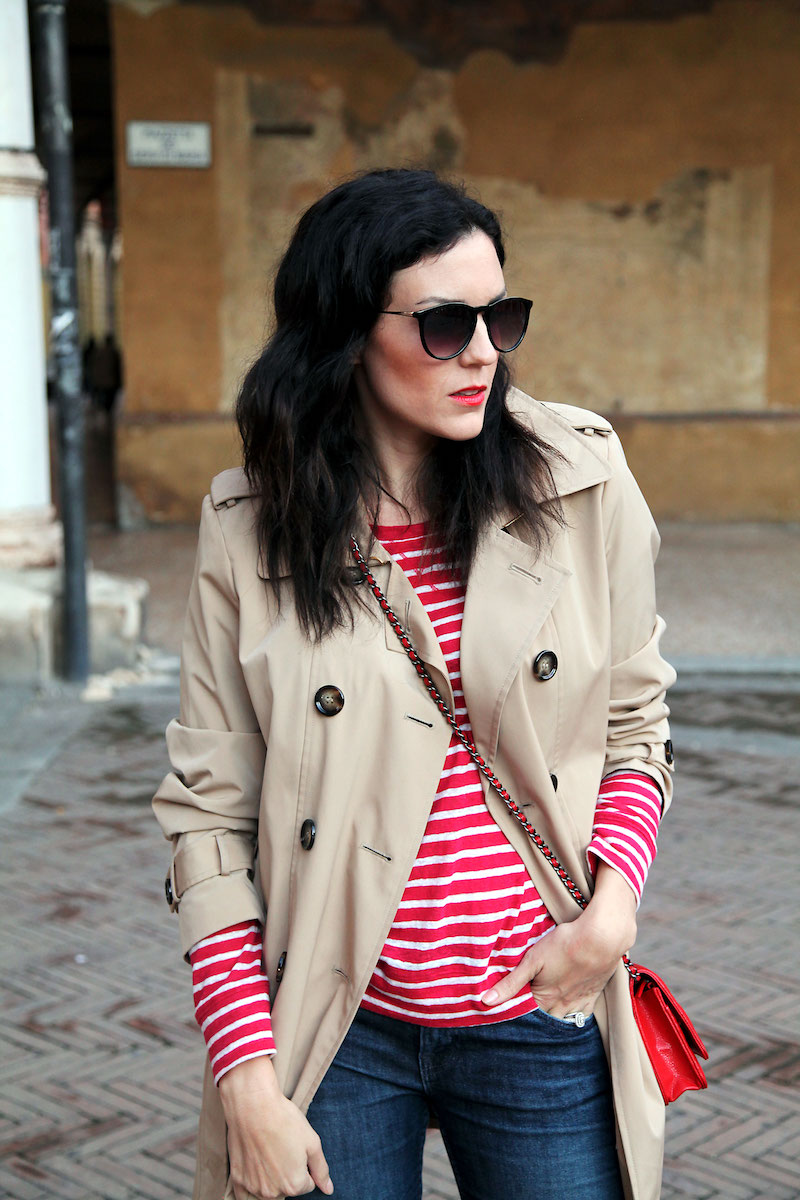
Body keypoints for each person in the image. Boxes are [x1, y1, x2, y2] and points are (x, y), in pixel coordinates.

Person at [153, 168, 676, 1200]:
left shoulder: (578, 479)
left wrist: (608, 918)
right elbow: (208, 818)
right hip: (334, 1024)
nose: (483, 352)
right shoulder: (249, 525)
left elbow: (632, 724)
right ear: (346, 332)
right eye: (444, 323)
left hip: (541, 1005)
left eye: (500, 317)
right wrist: (249, 1079)